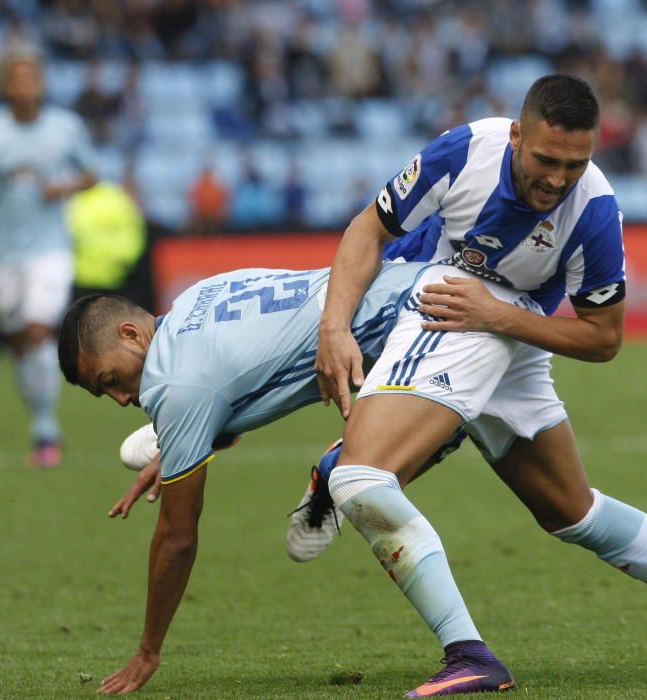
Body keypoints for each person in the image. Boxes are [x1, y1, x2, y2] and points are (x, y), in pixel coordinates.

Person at [312, 73, 647, 695]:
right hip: (457, 305)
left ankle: (470, 655)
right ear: (517, 135)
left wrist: (496, 317)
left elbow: (604, 337)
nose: (557, 178)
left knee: (369, 478)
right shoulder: (462, 152)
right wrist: (334, 326)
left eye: (575, 163)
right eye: (545, 158)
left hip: (494, 324)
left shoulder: (593, 210)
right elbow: (370, 228)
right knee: (567, 509)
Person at [56, 262, 483, 695]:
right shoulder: (193, 301)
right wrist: (182, 444)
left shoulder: (174, 385)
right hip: (420, 282)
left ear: (130, 334)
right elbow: (250, 374)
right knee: (556, 512)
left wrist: (148, 650)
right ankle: (427, 435)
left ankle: (469, 655)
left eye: (111, 380)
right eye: (104, 394)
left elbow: (177, 537)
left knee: (360, 479)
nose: (123, 398)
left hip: (424, 315)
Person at [0, 43, 97, 467]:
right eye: (16, 78)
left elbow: (91, 173)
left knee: (37, 329)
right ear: (5, 85)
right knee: (17, 338)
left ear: (41, 83)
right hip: (6, 251)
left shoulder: (64, 127)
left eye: (31, 77)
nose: (24, 86)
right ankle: (38, 415)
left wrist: (64, 186)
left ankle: (46, 429)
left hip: (51, 247)